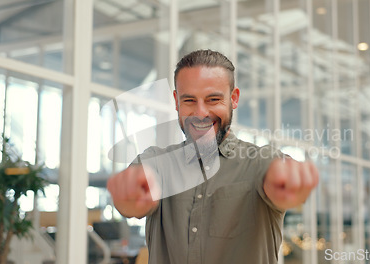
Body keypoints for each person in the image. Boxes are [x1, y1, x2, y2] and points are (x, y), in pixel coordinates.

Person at [107, 49, 319, 264]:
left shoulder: (261, 163)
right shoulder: (156, 163)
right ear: (176, 101)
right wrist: (131, 197)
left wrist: (287, 185)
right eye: (189, 100)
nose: (200, 113)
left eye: (213, 99)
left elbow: (280, 181)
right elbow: (129, 204)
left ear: (233, 98)